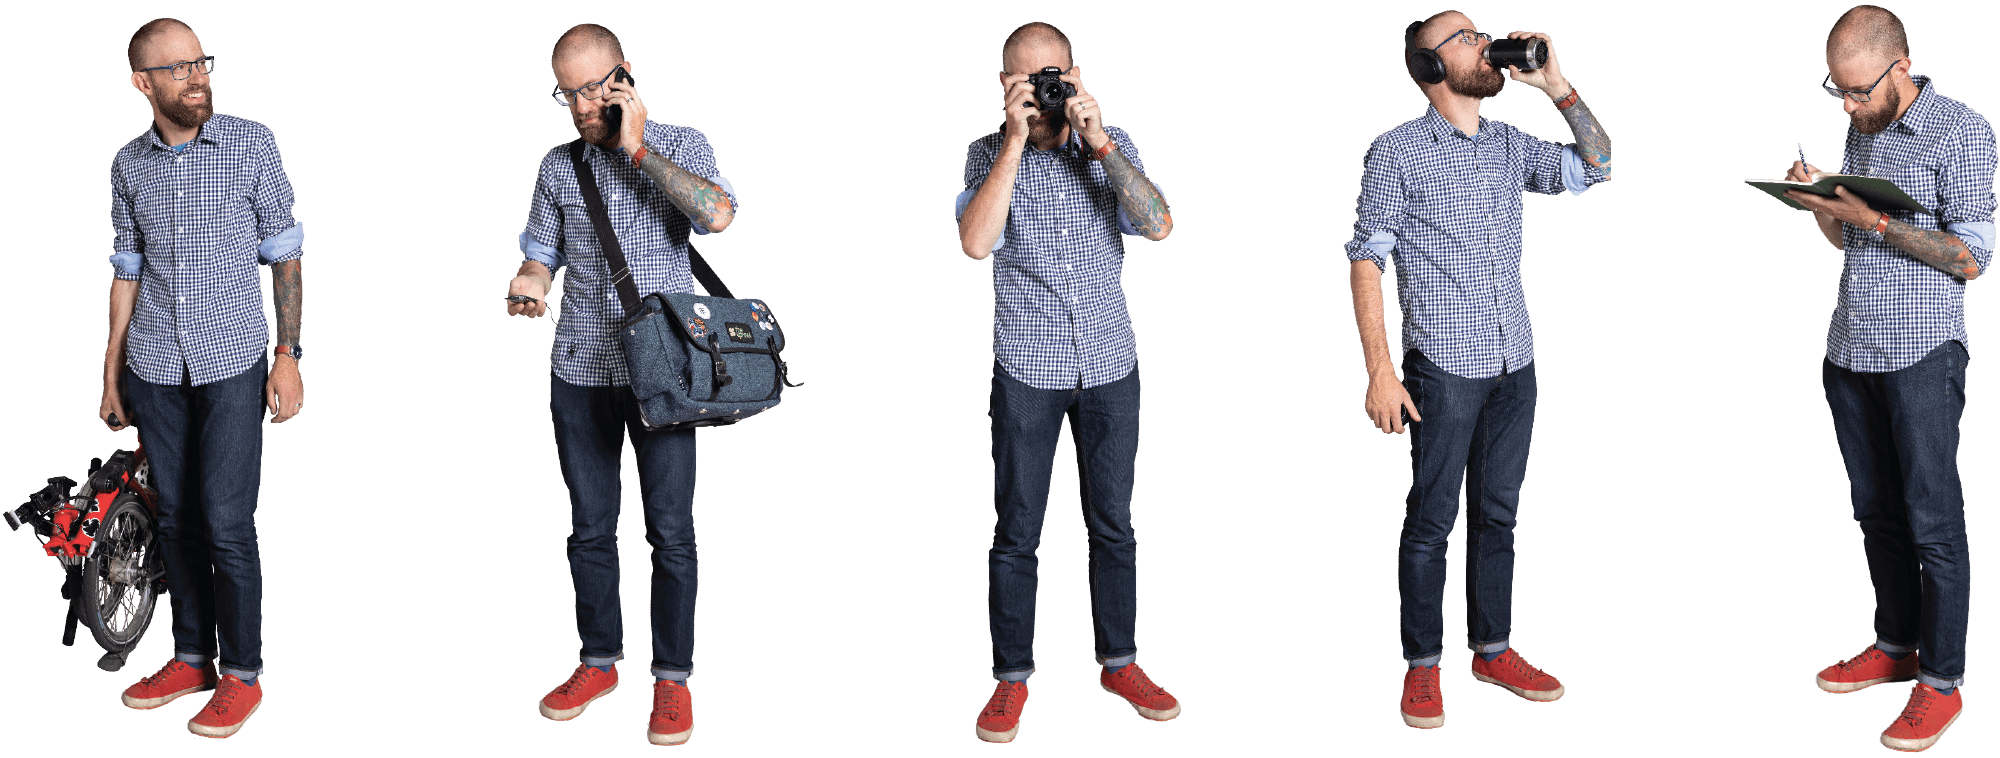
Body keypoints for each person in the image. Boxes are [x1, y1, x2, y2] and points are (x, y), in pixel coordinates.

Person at [1343, 10, 1613, 730]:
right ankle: (1423, 668)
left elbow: (1598, 166)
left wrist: (1556, 86)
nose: (1483, 43)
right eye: (1464, 38)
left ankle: (1493, 650)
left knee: (1498, 513)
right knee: (1432, 520)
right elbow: (1366, 260)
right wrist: (1379, 370)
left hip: (1513, 364)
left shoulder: (1505, 144)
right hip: (1443, 370)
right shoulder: (1396, 151)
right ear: (1431, 68)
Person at [506, 22, 738, 747]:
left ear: (624, 76)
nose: (578, 105)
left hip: (663, 373)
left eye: (589, 88)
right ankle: (600, 661)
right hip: (578, 367)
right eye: (564, 91)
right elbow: (541, 253)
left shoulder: (685, 142)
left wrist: (636, 146)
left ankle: (671, 680)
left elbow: (718, 216)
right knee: (587, 528)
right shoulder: (556, 166)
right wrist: (529, 283)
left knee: (670, 532)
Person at [953, 20, 1178, 745]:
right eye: (1031, 77)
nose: (1047, 88)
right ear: (1006, 85)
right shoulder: (985, 153)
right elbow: (976, 243)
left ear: (1076, 73)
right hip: (1028, 368)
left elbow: (1159, 227)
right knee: (1018, 527)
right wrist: (1016, 142)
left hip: (1112, 363)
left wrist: (1101, 139)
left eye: (1057, 74)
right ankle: (1012, 678)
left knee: (1114, 523)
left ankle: (1120, 662)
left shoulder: (1113, 143)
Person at [1780, 5, 1991, 752]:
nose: (1847, 105)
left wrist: (1870, 219)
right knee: (1874, 510)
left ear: (1901, 67)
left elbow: (1972, 259)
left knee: (1933, 519)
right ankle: (1896, 645)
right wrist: (1817, 205)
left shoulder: (1963, 131)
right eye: (1836, 92)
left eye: (1859, 90)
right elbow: (1843, 240)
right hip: (1851, 349)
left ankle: (1942, 683)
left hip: (1924, 353)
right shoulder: (1860, 124)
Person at [102, 17, 304, 740]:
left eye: (202, 63)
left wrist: (289, 355)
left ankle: (242, 676)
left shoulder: (252, 143)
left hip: (233, 362)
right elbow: (126, 273)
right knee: (176, 518)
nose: (197, 78)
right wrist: (111, 375)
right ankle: (190, 656)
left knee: (225, 521)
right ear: (143, 83)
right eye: (178, 68)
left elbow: (284, 254)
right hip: (156, 364)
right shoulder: (128, 164)